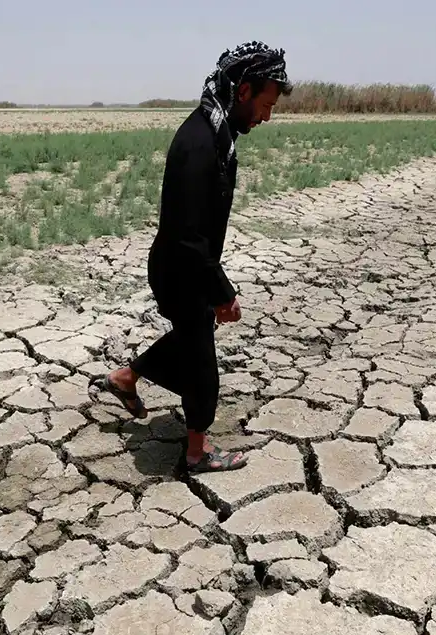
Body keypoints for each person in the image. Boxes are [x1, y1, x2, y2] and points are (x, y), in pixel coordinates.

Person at [91, 41, 291, 473]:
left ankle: (126, 378)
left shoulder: (215, 133)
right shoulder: (199, 143)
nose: (267, 116)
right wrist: (221, 291)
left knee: (190, 336)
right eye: (265, 104)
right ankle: (197, 453)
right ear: (243, 92)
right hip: (180, 269)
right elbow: (187, 235)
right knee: (201, 364)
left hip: (185, 265)